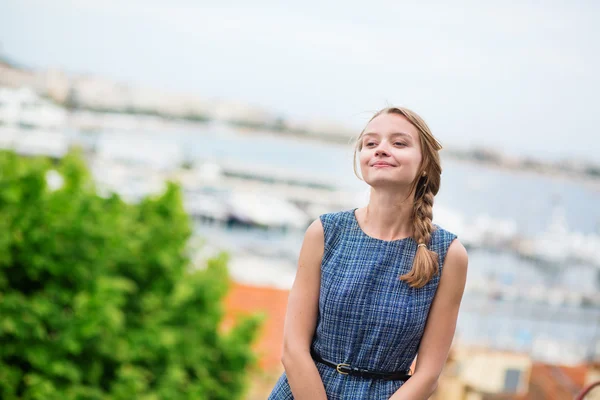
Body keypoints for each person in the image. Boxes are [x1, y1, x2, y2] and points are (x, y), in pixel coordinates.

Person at [268, 106, 468, 399]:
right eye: (370, 143)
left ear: (425, 163)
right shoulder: (325, 232)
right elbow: (293, 350)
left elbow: (427, 376)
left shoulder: (449, 255)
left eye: (399, 143)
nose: (381, 150)